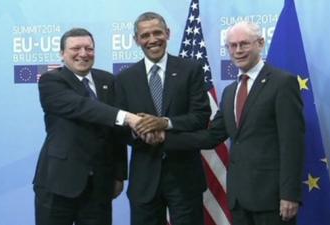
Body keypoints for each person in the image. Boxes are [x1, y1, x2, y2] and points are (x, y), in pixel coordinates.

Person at [160, 21, 305, 225]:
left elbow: (292, 144)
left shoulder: (282, 83)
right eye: (232, 45)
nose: (237, 50)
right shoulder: (230, 92)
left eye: (244, 44)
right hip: (239, 199)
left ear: (260, 43)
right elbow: (212, 136)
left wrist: (290, 194)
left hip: (272, 198)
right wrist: (165, 137)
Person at [32, 28, 141, 225]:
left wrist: (118, 175)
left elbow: (116, 133)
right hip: (58, 183)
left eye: (89, 48)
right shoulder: (51, 80)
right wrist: (127, 117)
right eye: (76, 48)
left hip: (99, 186)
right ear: (62, 53)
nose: (83, 53)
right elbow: (83, 107)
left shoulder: (107, 80)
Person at [114, 12, 211, 225]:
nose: (152, 39)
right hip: (144, 180)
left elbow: (201, 117)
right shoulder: (124, 79)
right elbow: (119, 130)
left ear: (167, 34)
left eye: (157, 32)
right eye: (145, 35)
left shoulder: (190, 70)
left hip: (185, 178)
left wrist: (164, 123)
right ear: (136, 40)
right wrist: (139, 132)